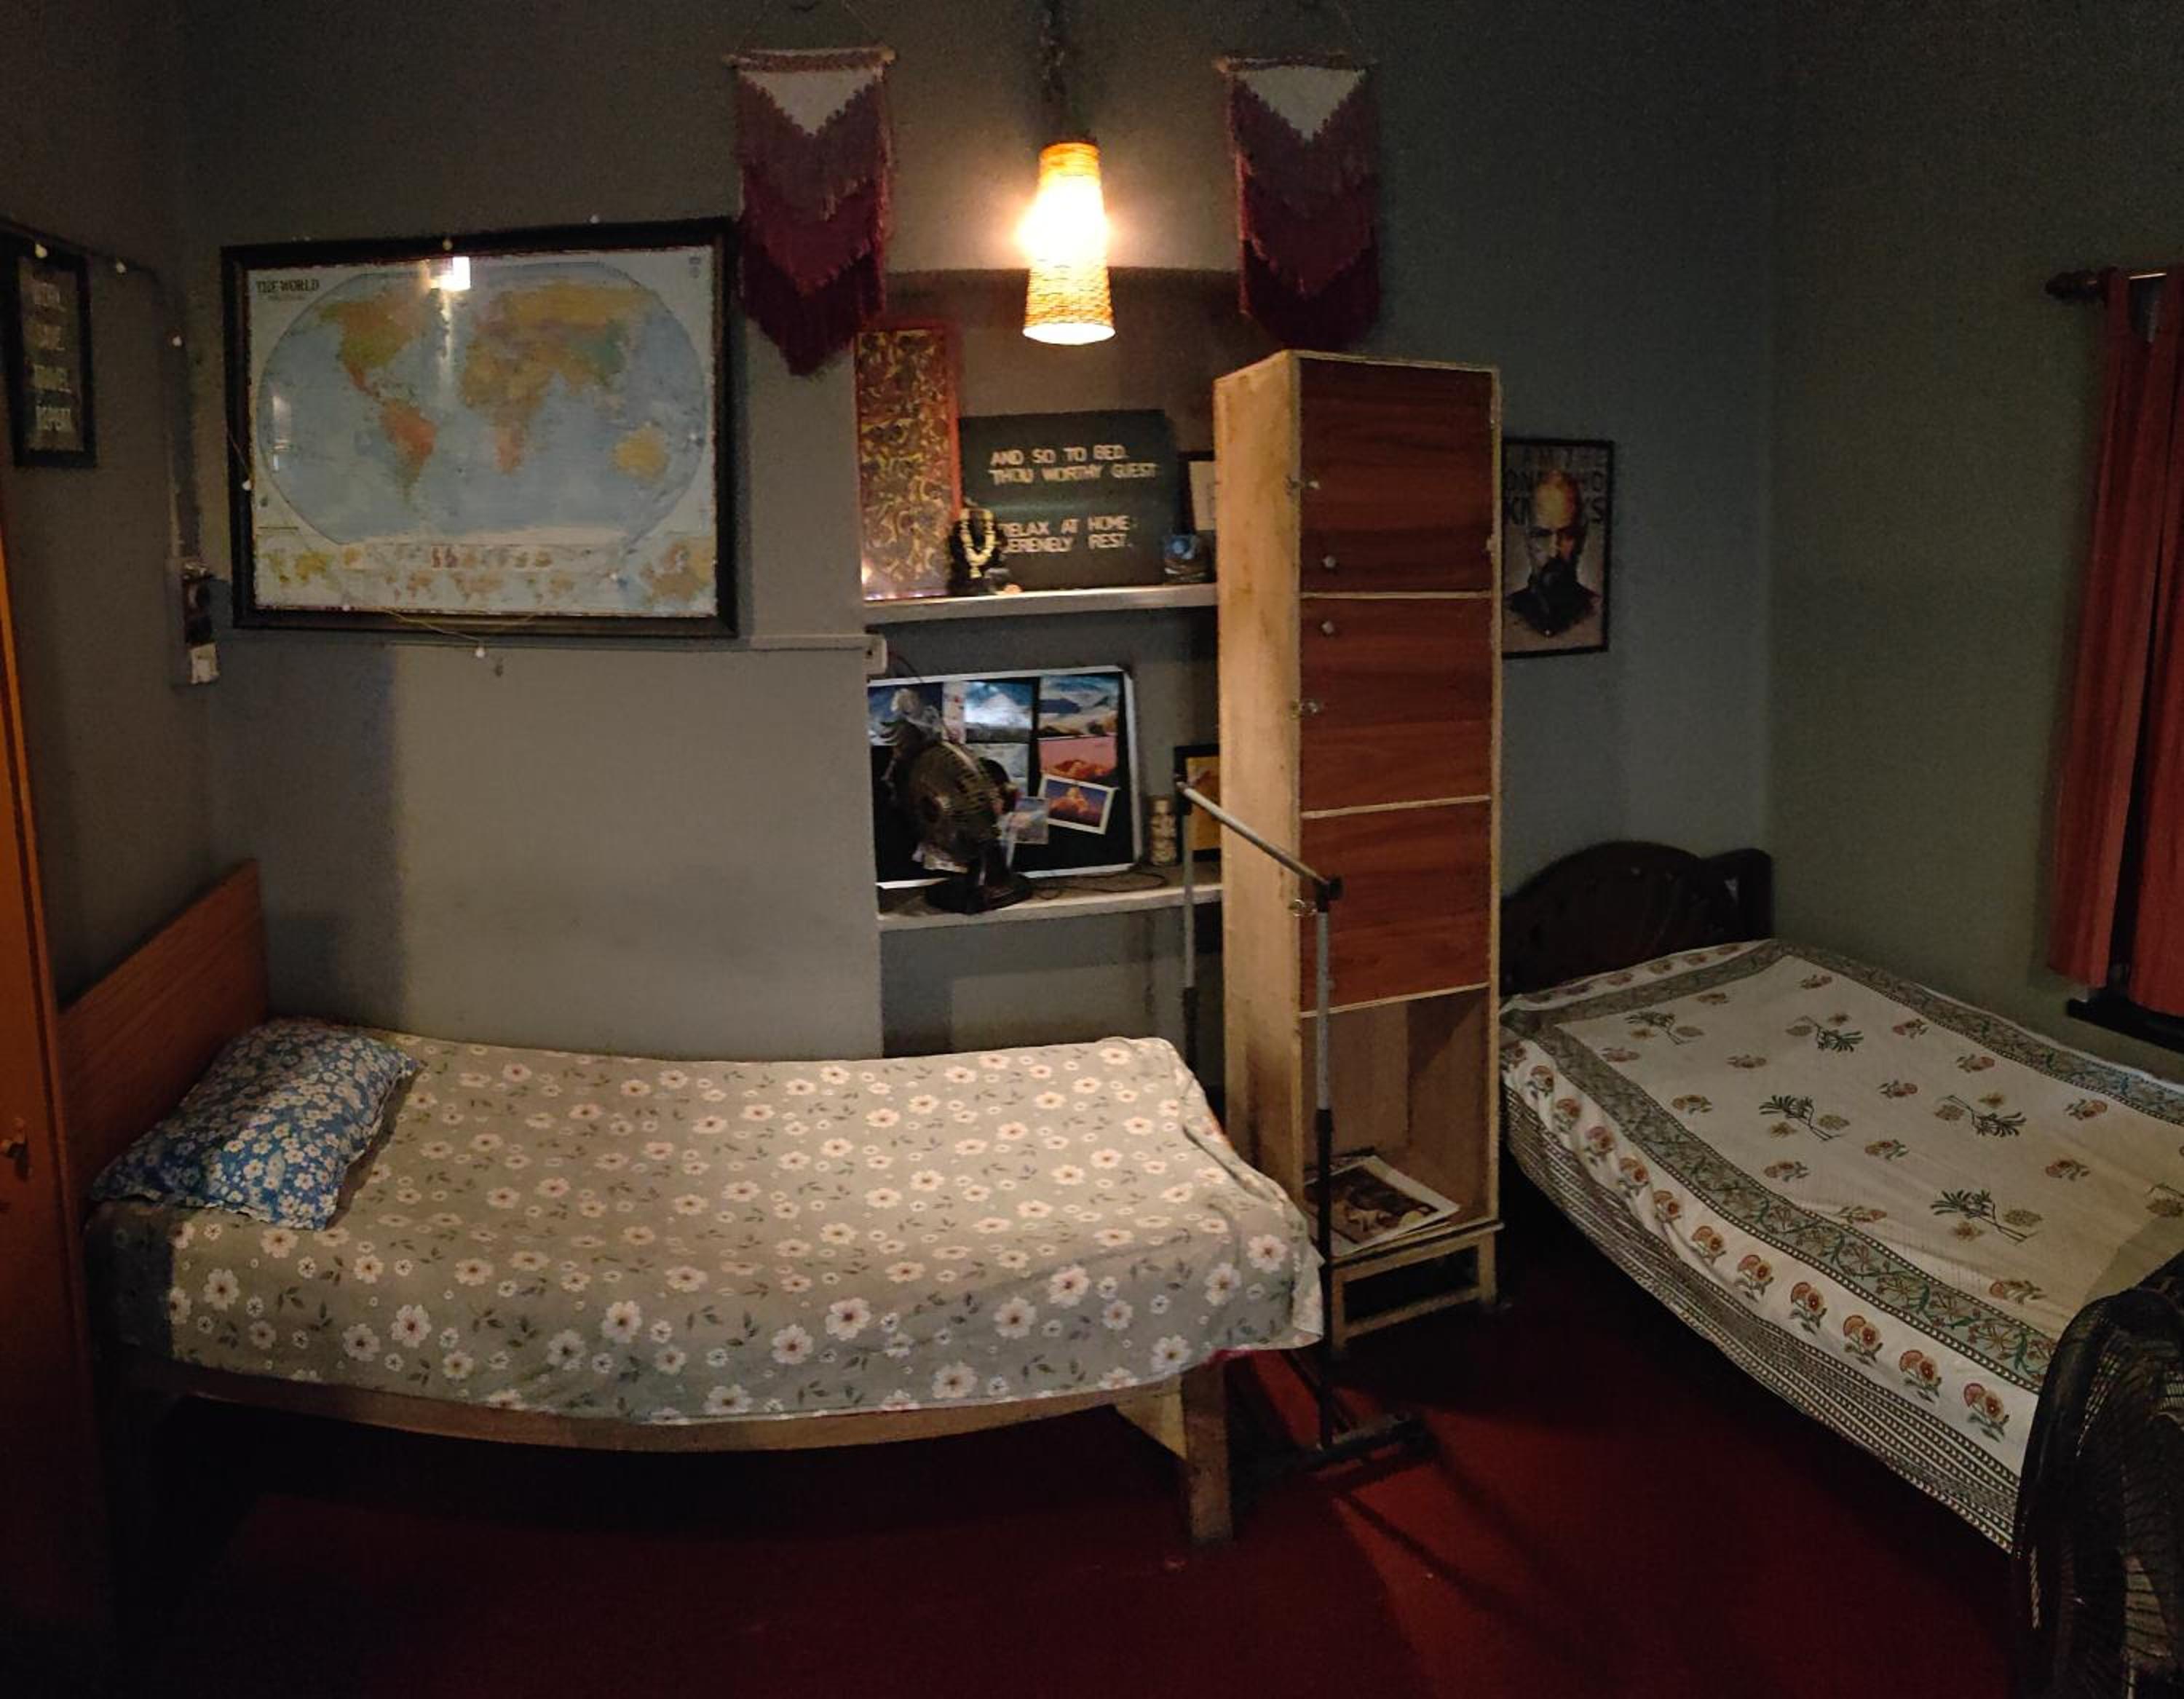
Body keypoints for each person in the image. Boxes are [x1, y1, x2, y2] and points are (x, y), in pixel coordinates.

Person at [1506, 466, 1599, 638]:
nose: (1553, 551)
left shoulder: (1598, 613)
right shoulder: (1505, 615)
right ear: (1527, 537)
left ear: (1581, 536)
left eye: (1567, 535)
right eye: (1542, 535)